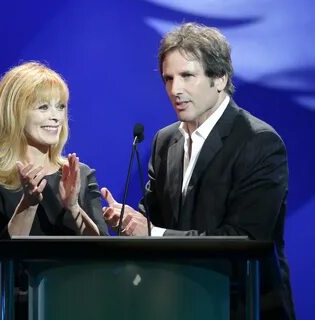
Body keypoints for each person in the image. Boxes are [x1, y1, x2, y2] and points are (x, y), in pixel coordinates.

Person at [101, 23, 295, 319]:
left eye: (187, 76)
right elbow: (154, 218)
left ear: (220, 78)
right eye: (168, 78)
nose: (174, 90)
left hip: (242, 307)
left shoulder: (259, 142)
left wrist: (152, 233)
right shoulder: (165, 141)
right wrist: (128, 219)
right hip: (174, 304)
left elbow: (244, 241)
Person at [0, 62, 108, 319]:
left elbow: (104, 252)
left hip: (75, 305)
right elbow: (3, 261)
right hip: (15, 308)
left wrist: (73, 207)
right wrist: (29, 203)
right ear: (15, 113)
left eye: (61, 107)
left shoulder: (79, 174)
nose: (56, 117)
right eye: (43, 107)